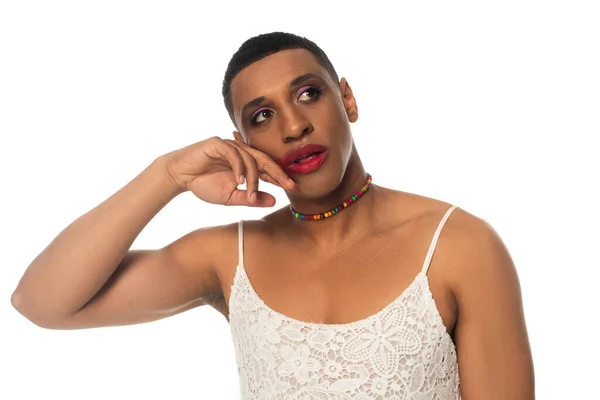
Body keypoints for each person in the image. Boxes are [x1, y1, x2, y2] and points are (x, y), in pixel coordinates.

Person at [11, 32, 535, 399]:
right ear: (243, 143)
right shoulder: (227, 257)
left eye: (308, 93)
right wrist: (166, 175)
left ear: (347, 98)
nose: (292, 127)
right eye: (262, 116)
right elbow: (41, 301)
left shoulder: (459, 245)